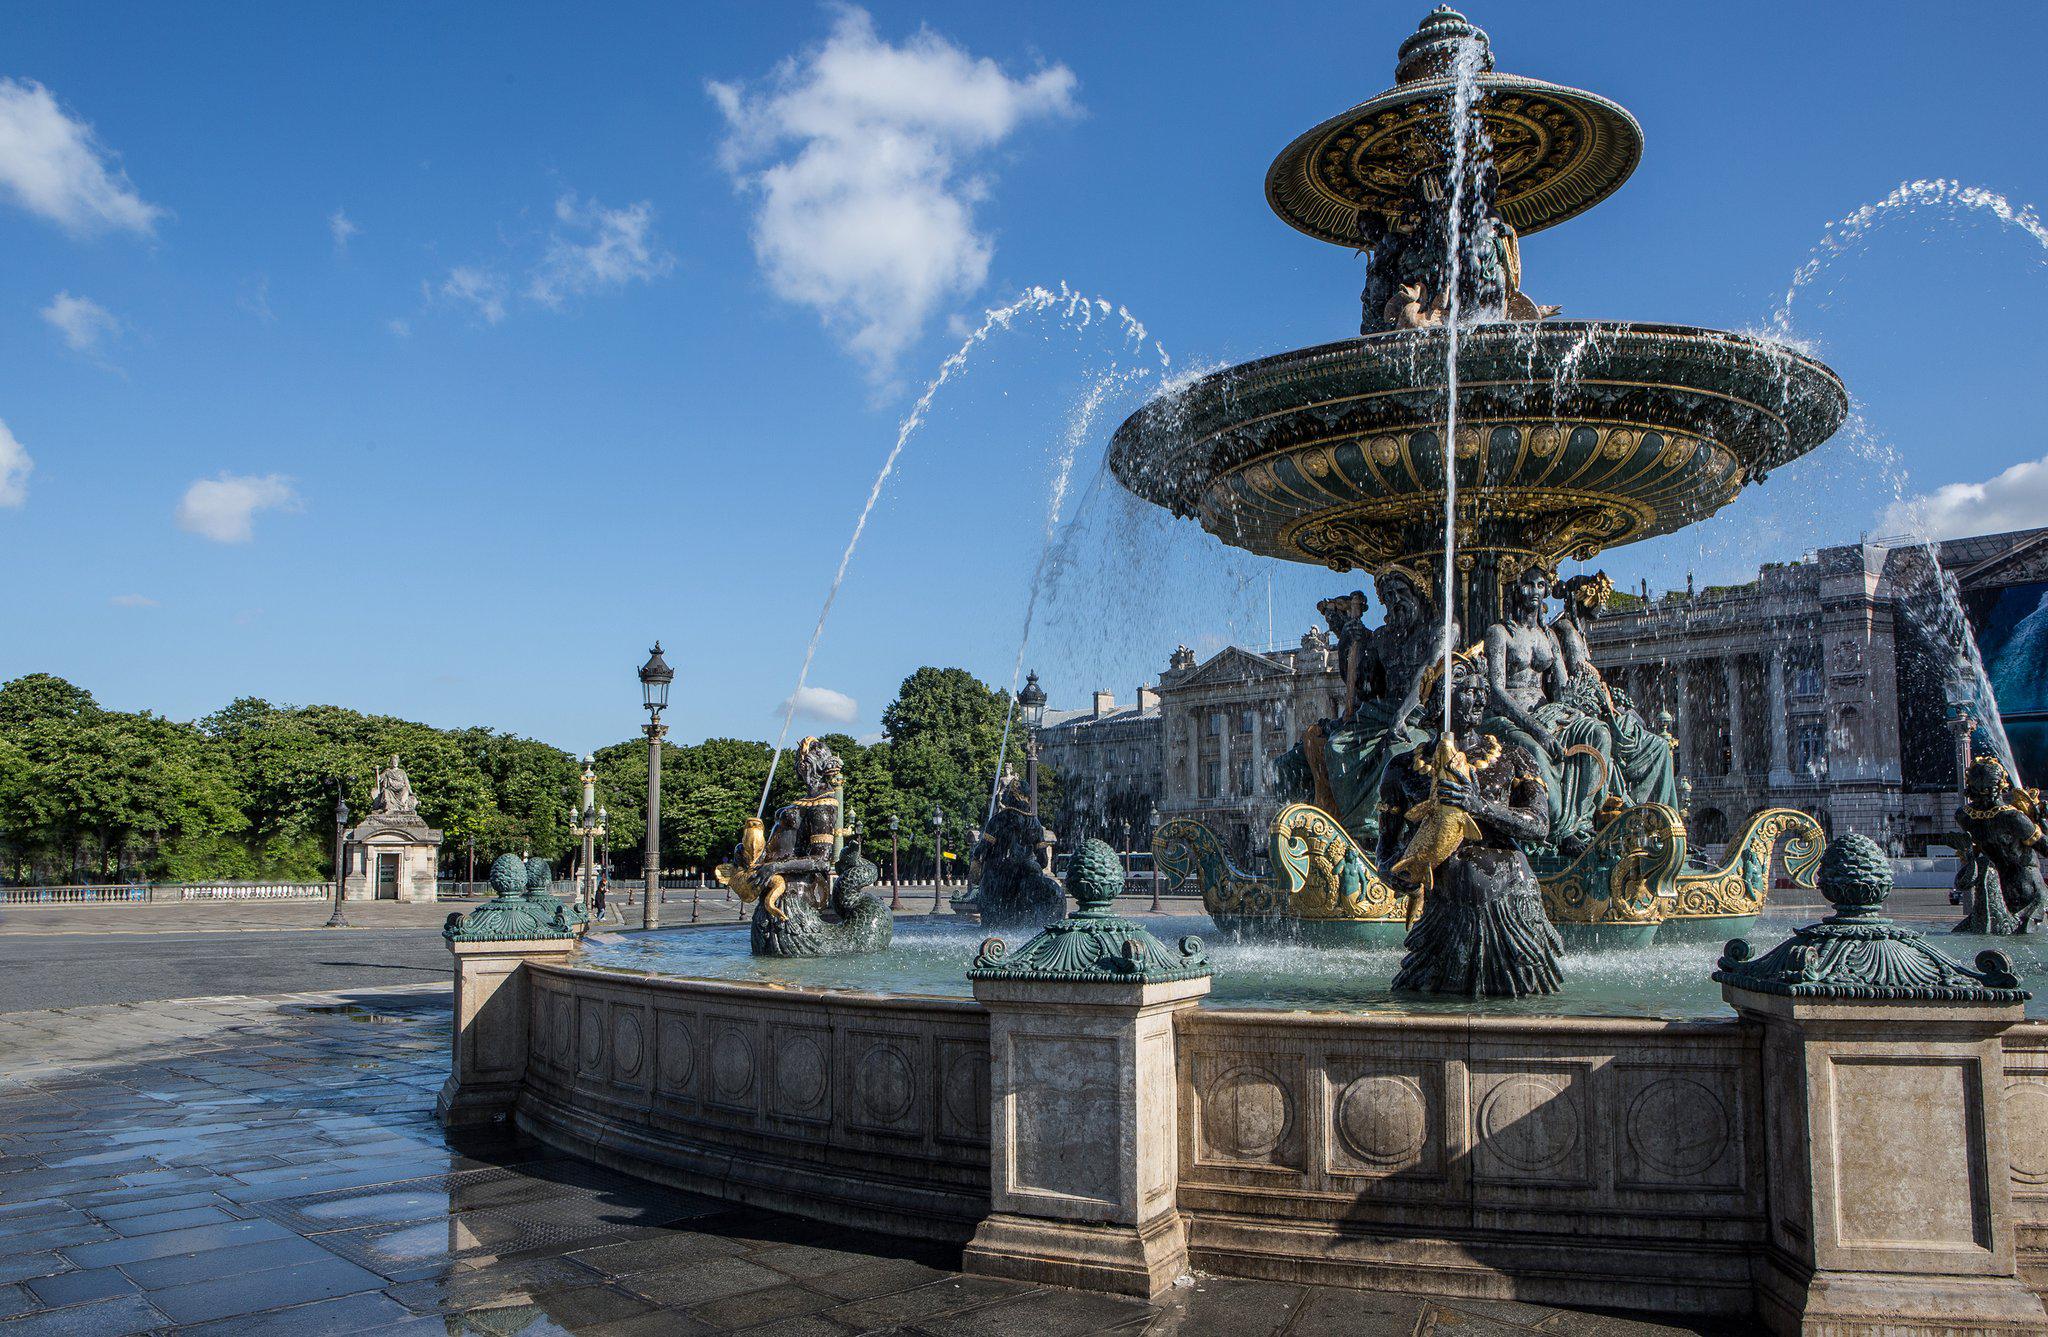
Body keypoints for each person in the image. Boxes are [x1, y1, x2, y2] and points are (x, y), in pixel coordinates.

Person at [1381, 657, 1564, 997]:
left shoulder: (1515, 757)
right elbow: (1386, 845)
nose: (1479, 700)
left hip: (1510, 908)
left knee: (1522, 1004)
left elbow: (1539, 825)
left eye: (1481, 691)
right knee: (1429, 1005)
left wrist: (1481, 807)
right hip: (1444, 914)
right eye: (1467, 692)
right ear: (1439, 700)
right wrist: (1393, 873)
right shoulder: (1402, 768)